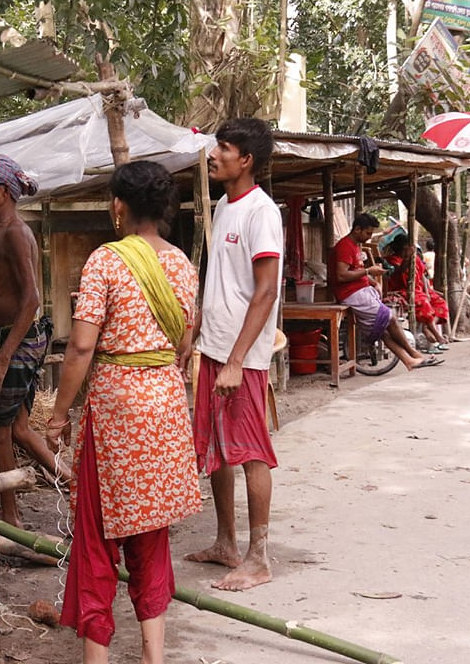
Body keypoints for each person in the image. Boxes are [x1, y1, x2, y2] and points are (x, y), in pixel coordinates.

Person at [46, 161, 201, 664]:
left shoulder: (106, 261)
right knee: (151, 536)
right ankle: (154, 657)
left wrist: (58, 415)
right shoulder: (182, 264)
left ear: (119, 206)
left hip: (116, 412)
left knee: (96, 537)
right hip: (166, 407)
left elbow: (81, 349)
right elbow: (182, 343)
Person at [181, 118, 282, 591]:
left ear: (247, 159)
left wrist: (239, 360)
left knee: (251, 452)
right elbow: (217, 281)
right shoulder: (224, 204)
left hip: (243, 355)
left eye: (223, 148)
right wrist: (195, 334)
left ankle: (258, 557)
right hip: (215, 346)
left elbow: (265, 292)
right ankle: (226, 542)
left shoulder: (262, 211)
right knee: (216, 450)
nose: (214, 155)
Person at [0, 154, 70, 528]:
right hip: (14, 338)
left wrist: (2, 358)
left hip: (15, 342)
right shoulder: (3, 230)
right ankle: (74, 481)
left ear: (4, 190)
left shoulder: (15, 231)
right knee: (19, 428)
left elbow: (31, 298)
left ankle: (12, 519)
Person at [328, 215, 437, 369]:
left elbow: (356, 271)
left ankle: (409, 361)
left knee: (383, 329)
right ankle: (414, 354)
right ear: (357, 229)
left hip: (361, 291)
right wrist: (368, 271)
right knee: (390, 318)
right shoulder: (345, 246)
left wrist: (372, 282)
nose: (369, 237)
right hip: (351, 294)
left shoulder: (355, 246)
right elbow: (341, 275)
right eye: (367, 233)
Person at [385, 233, 450, 351]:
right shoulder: (391, 260)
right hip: (401, 290)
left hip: (419, 289)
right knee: (423, 302)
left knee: (440, 302)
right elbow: (398, 272)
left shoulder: (417, 259)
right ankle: (436, 333)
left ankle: (427, 327)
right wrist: (407, 259)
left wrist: (427, 291)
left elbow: (423, 278)